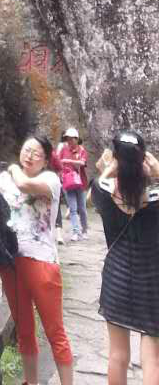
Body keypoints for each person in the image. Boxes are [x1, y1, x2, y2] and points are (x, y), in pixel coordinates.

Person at [0, 135, 74, 385]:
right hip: (11, 261)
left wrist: (14, 168)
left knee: (54, 331)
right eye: (26, 149)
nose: (28, 155)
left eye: (36, 153)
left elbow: (25, 186)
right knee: (24, 330)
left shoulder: (49, 179)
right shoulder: (3, 180)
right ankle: (31, 382)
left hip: (41, 263)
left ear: (46, 160)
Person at [90, 130, 159, 385]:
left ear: (116, 159)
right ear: (143, 159)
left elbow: (93, 191)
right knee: (153, 359)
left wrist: (108, 170)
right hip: (152, 281)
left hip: (116, 278)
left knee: (117, 355)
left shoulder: (104, 193)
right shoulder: (155, 198)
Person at [57, 127, 89, 241]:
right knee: (73, 208)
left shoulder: (82, 150)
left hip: (80, 183)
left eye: (71, 139)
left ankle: (85, 230)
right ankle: (76, 232)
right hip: (67, 182)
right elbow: (58, 161)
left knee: (82, 209)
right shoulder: (63, 149)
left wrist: (69, 161)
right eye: (67, 139)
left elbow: (83, 163)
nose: (69, 141)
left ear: (76, 139)